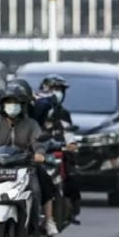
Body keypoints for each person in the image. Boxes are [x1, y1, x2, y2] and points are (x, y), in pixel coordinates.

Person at [0, 84, 59, 237]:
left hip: (25, 167)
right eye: (9, 102)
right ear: (2, 105)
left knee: (39, 188)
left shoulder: (31, 124)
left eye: (16, 103)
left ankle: (43, 224)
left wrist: (39, 154)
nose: (12, 106)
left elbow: (38, 143)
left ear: (23, 105)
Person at [36, 75, 82, 220]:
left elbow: (69, 133)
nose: (56, 92)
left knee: (72, 177)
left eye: (59, 89)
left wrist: (71, 146)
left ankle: (70, 208)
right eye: (53, 89)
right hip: (37, 151)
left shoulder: (63, 113)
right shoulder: (34, 109)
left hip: (56, 151)